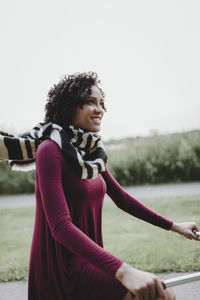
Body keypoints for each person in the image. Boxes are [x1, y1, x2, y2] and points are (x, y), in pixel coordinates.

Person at [0, 72, 199, 300]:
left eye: (102, 103)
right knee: (159, 295)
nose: (100, 109)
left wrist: (175, 226)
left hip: (89, 258)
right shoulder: (50, 150)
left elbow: (122, 199)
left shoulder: (91, 152)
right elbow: (60, 226)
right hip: (62, 268)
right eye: (90, 102)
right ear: (69, 105)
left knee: (159, 293)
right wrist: (124, 271)